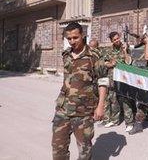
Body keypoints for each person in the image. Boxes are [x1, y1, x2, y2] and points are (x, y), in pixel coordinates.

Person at [52, 22, 108, 160]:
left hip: (84, 111)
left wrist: (101, 106)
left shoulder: (94, 55)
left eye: (75, 37)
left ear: (83, 35)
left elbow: (103, 81)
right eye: (69, 38)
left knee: (84, 151)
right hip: (63, 109)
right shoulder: (66, 54)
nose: (72, 41)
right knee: (58, 149)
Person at [101, 31, 135, 132]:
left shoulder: (126, 48)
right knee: (113, 100)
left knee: (125, 100)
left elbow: (129, 62)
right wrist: (111, 64)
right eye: (114, 40)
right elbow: (104, 63)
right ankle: (115, 120)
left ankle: (129, 122)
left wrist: (124, 51)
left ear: (119, 37)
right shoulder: (108, 50)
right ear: (111, 41)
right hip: (112, 79)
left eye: (117, 38)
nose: (117, 41)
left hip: (123, 79)